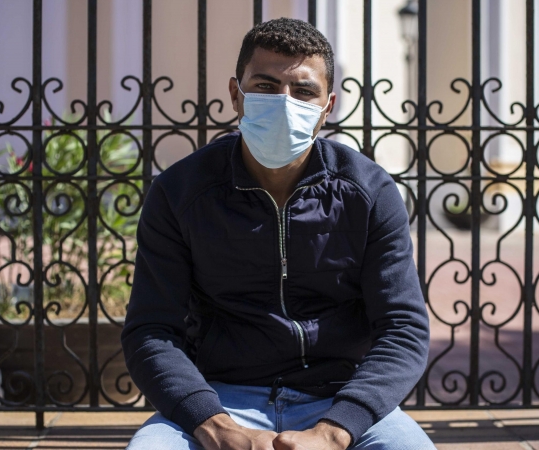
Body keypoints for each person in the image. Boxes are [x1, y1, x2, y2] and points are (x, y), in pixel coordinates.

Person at [122, 17, 433, 450]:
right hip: (219, 398)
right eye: (265, 86)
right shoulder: (180, 192)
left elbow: (404, 327)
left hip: (338, 398)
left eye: (304, 91)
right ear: (236, 94)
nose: (284, 102)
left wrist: (336, 430)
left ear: (327, 107)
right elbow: (151, 329)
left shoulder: (369, 192)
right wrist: (212, 424)